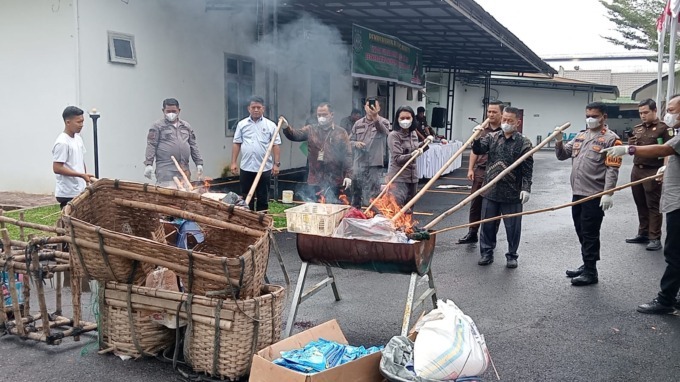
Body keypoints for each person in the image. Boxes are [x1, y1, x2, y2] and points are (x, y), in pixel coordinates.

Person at [602, 94, 680, 314]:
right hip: (648, 175)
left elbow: (665, 149)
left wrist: (628, 149)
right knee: (643, 206)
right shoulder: (638, 129)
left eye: (673, 110)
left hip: (677, 200)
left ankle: (666, 300)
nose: (669, 113)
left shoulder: (667, 130)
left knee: (674, 253)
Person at [555, 101, 622, 286]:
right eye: (588, 116)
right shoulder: (580, 136)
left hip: (594, 194)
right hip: (577, 192)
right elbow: (562, 155)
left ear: (604, 117)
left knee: (590, 232)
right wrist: (558, 140)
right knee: (580, 230)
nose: (590, 119)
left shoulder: (611, 139)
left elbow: (612, 169)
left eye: (594, 116)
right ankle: (586, 264)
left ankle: (591, 272)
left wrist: (608, 193)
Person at [471, 107, 533, 268]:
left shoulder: (524, 143)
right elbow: (478, 149)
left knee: (513, 227)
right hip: (491, 190)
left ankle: (512, 255)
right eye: (504, 120)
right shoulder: (492, 137)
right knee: (487, 224)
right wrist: (476, 137)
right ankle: (486, 253)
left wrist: (526, 188)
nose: (506, 123)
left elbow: (527, 170)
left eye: (510, 121)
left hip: (512, 192)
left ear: (517, 122)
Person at [623, 99, 673, 251]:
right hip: (637, 169)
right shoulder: (638, 128)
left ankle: (655, 237)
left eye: (646, 112)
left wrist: (665, 168)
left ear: (654, 111)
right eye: (640, 113)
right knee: (640, 203)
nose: (643, 116)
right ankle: (643, 233)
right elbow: (635, 148)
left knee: (653, 205)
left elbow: (668, 151)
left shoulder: (664, 129)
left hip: (653, 169)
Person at [281, 103, 352, 202]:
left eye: (324, 115)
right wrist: (286, 127)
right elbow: (294, 135)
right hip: (315, 178)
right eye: (319, 115)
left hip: (335, 179)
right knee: (315, 206)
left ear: (332, 114)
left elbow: (347, 155)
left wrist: (348, 175)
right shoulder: (311, 130)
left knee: (333, 206)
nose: (321, 118)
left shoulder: (340, 132)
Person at [457, 101, 504, 244]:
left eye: (494, 112)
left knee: (494, 206)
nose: (490, 114)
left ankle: (491, 237)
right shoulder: (482, 130)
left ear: (501, 113)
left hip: (497, 173)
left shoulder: (505, 132)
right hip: (481, 170)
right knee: (475, 203)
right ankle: (472, 232)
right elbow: (474, 151)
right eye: (489, 111)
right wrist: (470, 168)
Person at [231, 96, 281, 211]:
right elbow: (236, 143)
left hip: (264, 169)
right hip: (246, 168)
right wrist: (233, 162)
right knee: (246, 198)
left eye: (259, 107)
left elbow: (276, 145)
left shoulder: (270, 125)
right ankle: (247, 223)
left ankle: (261, 223)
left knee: (263, 198)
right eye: (253, 107)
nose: (256, 110)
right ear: (249, 109)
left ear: (263, 108)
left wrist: (276, 164)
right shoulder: (242, 124)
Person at [144, 98, 204, 185]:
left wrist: (199, 163)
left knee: (185, 195)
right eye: (168, 111)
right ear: (163, 111)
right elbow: (151, 145)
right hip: (166, 171)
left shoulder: (186, 126)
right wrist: (149, 164)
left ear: (179, 111)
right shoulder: (157, 126)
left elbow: (193, 145)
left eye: (174, 111)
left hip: (184, 170)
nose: (171, 114)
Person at [350, 98, 391, 207]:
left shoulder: (384, 122)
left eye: (374, 106)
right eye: (369, 106)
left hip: (374, 163)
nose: (371, 108)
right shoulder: (358, 123)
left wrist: (375, 117)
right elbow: (350, 141)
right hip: (359, 162)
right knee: (356, 190)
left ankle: (372, 214)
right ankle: (356, 213)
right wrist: (356, 143)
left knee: (373, 191)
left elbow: (385, 132)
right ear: (365, 107)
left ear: (379, 108)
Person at [52, 106, 94, 208]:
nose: (81, 125)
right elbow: (57, 168)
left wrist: (85, 177)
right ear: (68, 122)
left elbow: (81, 161)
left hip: (79, 189)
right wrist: (80, 175)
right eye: (78, 122)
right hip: (68, 192)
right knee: (71, 221)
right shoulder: (62, 142)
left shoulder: (78, 139)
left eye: (82, 121)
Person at [387, 106, 429, 207]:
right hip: (399, 178)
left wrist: (425, 143)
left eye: (408, 118)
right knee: (398, 209)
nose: (405, 120)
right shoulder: (394, 135)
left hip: (413, 177)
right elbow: (398, 158)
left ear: (412, 119)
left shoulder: (413, 133)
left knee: (409, 209)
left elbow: (416, 149)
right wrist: (413, 154)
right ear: (397, 119)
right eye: (402, 118)